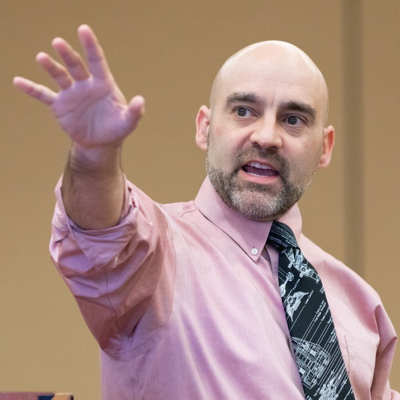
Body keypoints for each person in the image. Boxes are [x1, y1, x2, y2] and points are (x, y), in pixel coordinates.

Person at [14, 25, 399, 400]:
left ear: (325, 148)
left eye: (293, 119)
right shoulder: (154, 257)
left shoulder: (359, 302)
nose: (267, 136)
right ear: (205, 128)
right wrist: (94, 157)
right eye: (244, 111)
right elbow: (101, 233)